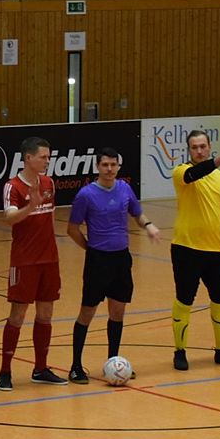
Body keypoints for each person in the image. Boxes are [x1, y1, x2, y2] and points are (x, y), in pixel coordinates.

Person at [66, 147, 160, 383]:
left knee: (117, 312)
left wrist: (149, 225)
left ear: (118, 166)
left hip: (121, 259)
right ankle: (76, 366)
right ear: (97, 167)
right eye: (105, 165)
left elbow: (137, 214)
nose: (109, 169)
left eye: (113, 165)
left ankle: (113, 362)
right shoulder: (86, 195)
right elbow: (72, 228)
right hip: (98, 261)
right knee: (87, 312)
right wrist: (90, 248)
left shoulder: (125, 188)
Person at [170, 130, 220, 370]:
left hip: (216, 249)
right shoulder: (181, 172)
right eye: (194, 147)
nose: (199, 151)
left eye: (203, 146)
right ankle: (180, 351)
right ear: (188, 150)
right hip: (187, 248)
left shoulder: (218, 176)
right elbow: (197, 173)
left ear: (209, 147)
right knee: (185, 299)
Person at [0, 137, 68, 391]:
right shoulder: (12, 186)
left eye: (49, 157)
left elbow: (49, 218)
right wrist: (31, 206)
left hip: (49, 259)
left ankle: (41, 368)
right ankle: (5, 371)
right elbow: (9, 218)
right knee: (18, 315)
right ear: (28, 158)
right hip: (24, 261)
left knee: (46, 313)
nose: (47, 161)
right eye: (43, 157)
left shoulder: (48, 183)